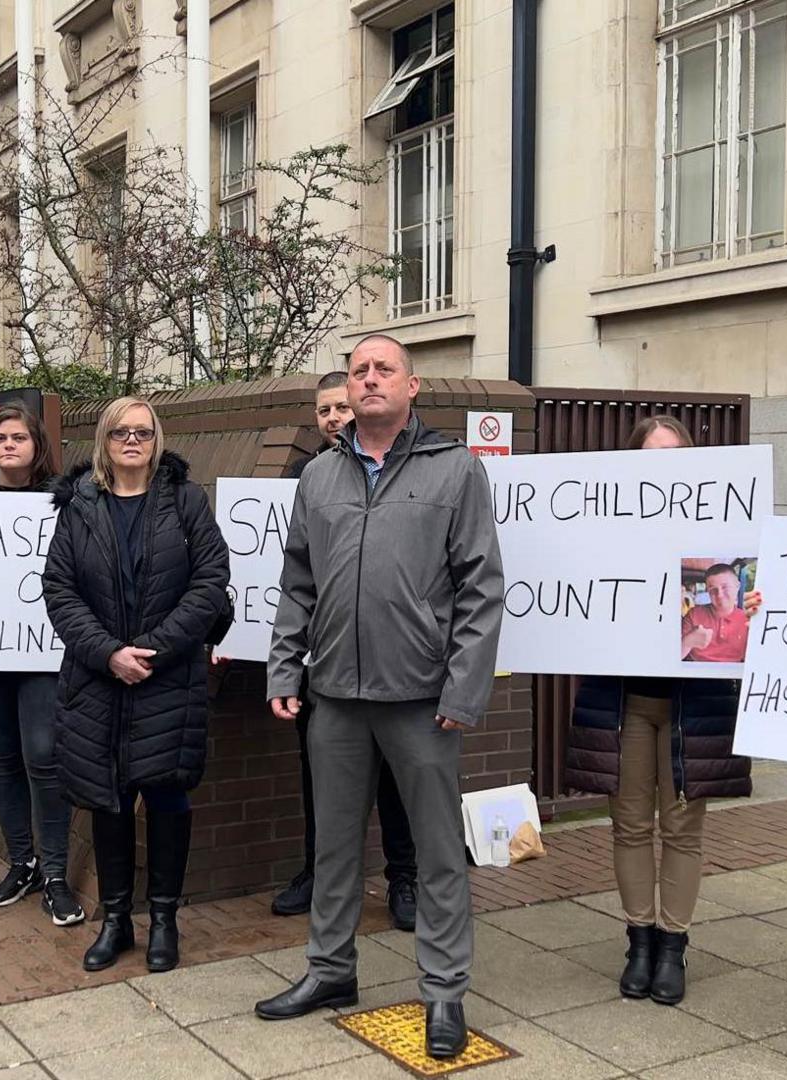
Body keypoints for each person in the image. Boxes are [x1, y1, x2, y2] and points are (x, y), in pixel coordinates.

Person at [254, 336, 504, 1062]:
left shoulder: (455, 471)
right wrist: (283, 672)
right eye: (359, 370)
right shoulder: (320, 478)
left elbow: (480, 587)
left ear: (412, 387)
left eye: (382, 369)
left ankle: (445, 991)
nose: (369, 380)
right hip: (333, 696)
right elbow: (297, 583)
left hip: (422, 698)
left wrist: (464, 687)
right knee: (332, 846)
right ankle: (331, 972)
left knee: (435, 853)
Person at [564, 415, 752, 1007]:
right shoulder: (609, 532)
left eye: (674, 458)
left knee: (683, 829)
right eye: (651, 459)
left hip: (692, 706)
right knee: (629, 824)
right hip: (624, 702)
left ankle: (673, 945)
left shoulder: (721, 532)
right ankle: (638, 939)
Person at [43, 397, 232, 973]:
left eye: (143, 432)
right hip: (99, 682)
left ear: (157, 439)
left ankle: (166, 919)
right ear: (104, 440)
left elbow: (211, 582)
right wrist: (107, 653)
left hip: (167, 678)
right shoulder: (80, 508)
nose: (132, 440)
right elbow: (60, 589)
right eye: (121, 432)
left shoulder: (185, 502)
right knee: (110, 800)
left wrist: (154, 649)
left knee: (168, 796)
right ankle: (118, 919)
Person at [271, 372, 419, 930]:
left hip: (394, 663)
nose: (333, 417)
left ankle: (404, 876)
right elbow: (294, 573)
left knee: (395, 782)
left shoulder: (410, 469)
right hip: (325, 663)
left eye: (340, 406)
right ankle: (321, 873)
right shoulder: (305, 476)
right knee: (322, 781)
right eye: (323, 410)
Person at [0, 405, 85, 927]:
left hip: (44, 652)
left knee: (43, 755)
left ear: (37, 445)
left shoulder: (65, 499)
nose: (9, 446)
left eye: (19, 438)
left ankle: (54, 874)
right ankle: (21, 862)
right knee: (3, 757)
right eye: (0, 438)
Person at [680, 563, 748, 663]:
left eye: (725, 587)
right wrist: (687, 643)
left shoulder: (749, 621)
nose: (719, 595)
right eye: (713, 589)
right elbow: (669, 661)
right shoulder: (693, 614)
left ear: (737, 586)